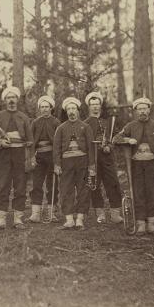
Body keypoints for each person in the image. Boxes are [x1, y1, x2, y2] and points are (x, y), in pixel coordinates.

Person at [113, 98, 154, 235]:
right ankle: (141, 223)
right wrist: (127, 139)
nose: (142, 111)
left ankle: (152, 223)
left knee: (152, 192)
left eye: (145, 108)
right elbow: (115, 139)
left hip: (153, 164)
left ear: (149, 110)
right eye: (139, 109)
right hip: (136, 165)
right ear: (136, 111)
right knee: (138, 192)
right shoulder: (131, 126)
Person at [0, 86, 35, 230]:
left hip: (20, 154)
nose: (11, 100)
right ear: (5, 100)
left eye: (13, 97)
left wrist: (30, 157)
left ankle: (18, 219)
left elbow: (30, 139)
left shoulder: (23, 117)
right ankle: (1, 219)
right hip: (3, 155)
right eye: (8, 98)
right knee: (2, 185)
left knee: (20, 186)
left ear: (17, 100)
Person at [53, 97, 96, 229]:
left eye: (74, 109)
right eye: (69, 109)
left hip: (82, 161)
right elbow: (56, 148)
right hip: (66, 162)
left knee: (84, 189)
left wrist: (92, 166)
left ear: (77, 111)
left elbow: (91, 148)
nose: (71, 111)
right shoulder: (61, 128)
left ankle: (80, 219)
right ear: (66, 111)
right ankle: (69, 219)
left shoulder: (85, 127)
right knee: (66, 189)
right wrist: (57, 164)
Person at [83, 91, 123, 224]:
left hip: (108, 158)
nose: (95, 107)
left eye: (97, 104)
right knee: (94, 184)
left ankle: (115, 214)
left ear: (100, 105)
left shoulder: (108, 122)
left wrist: (110, 146)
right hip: (93, 158)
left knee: (113, 183)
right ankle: (100, 214)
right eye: (92, 104)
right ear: (89, 106)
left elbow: (116, 137)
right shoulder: (85, 123)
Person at [29, 95, 60, 223]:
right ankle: (35, 213)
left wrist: (57, 160)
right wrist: (32, 157)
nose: (44, 109)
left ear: (51, 108)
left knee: (52, 185)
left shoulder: (56, 122)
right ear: (39, 108)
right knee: (36, 184)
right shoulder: (35, 122)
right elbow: (31, 142)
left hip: (52, 156)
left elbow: (59, 143)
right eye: (42, 107)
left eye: (47, 107)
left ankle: (51, 212)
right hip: (39, 156)